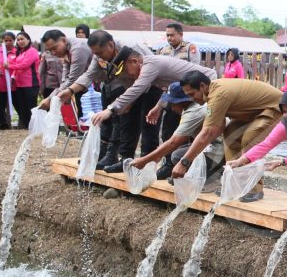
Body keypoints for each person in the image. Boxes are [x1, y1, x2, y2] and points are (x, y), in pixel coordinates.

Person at [56, 31, 216, 172]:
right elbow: (168, 86)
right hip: (186, 93)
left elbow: (137, 87)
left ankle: (172, 165)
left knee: (186, 132)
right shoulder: (144, 66)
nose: (126, 74)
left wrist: (110, 109)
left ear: (134, 61)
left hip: (207, 88)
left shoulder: (149, 64)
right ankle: (174, 165)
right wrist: (159, 107)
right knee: (179, 131)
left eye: (125, 69)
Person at [173, 71, 283, 202]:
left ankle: (254, 189)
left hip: (275, 107)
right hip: (254, 111)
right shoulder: (212, 93)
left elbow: (207, 133)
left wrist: (184, 162)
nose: (191, 99)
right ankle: (235, 185)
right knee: (230, 135)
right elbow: (218, 127)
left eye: (192, 94)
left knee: (249, 139)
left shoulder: (219, 95)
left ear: (202, 86)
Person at [128, 83, 225, 182]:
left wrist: (144, 161)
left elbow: (173, 142)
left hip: (221, 148)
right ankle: (199, 173)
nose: (171, 107)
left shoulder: (194, 112)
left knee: (178, 157)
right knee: (178, 154)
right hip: (211, 145)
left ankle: (215, 172)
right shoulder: (191, 107)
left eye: (173, 103)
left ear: (183, 102)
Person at [157, 22, 201, 143]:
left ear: (180, 34)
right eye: (167, 35)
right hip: (169, 93)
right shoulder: (163, 50)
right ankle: (169, 153)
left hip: (185, 95)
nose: (169, 38)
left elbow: (194, 70)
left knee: (186, 127)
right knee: (168, 129)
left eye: (172, 35)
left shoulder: (190, 48)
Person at [38, 29, 93, 116]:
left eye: (54, 48)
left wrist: (50, 98)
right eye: (50, 50)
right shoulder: (66, 51)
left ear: (64, 40)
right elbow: (65, 78)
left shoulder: (78, 49)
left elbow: (73, 79)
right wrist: (55, 95)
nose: (53, 53)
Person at [9, 31, 41, 130]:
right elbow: (15, 63)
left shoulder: (32, 51)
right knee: (22, 107)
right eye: (18, 40)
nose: (20, 41)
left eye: (22, 39)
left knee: (31, 107)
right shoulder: (20, 52)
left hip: (31, 84)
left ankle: (34, 127)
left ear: (28, 40)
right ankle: (27, 126)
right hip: (19, 84)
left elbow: (24, 65)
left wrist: (9, 66)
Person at [0, 32, 17, 129]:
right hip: (0, 83)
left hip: (14, 83)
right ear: (2, 41)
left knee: (17, 104)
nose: (8, 42)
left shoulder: (17, 51)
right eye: (6, 40)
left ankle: (23, 123)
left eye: (10, 40)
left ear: (14, 41)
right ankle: (3, 125)